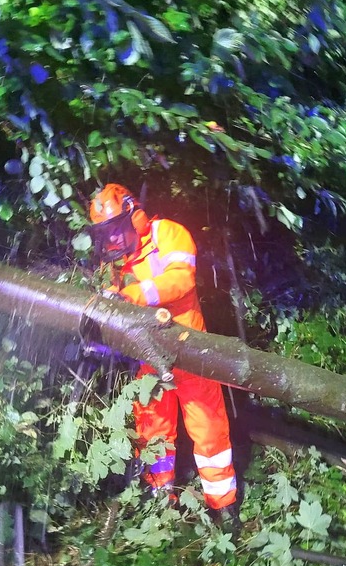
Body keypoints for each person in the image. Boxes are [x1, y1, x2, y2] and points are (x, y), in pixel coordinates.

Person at [89, 183, 238, 518]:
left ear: (133, 214)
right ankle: (160, 503)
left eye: (114, 230)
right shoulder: (114, 261)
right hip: (148, 357)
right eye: (105, 234)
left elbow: (181, 280)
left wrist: (134, 297)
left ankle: (224, 507)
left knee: (209, 429)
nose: (111, 240)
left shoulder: (168, 234)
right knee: (153, 430)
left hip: (190, 349)